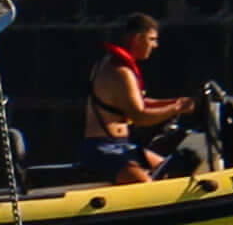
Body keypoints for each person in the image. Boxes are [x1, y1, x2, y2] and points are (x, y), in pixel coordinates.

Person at [82, 14, 198, 182]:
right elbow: (140, 116)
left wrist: (177, 101)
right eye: (152, 39)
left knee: (169, 169)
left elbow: (138, 103)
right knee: (146, 185)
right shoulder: (120, 72)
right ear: (138, 38)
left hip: (121, 145)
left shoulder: (109, 63)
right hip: (103, 148)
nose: (155, 45)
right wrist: (176, 108)